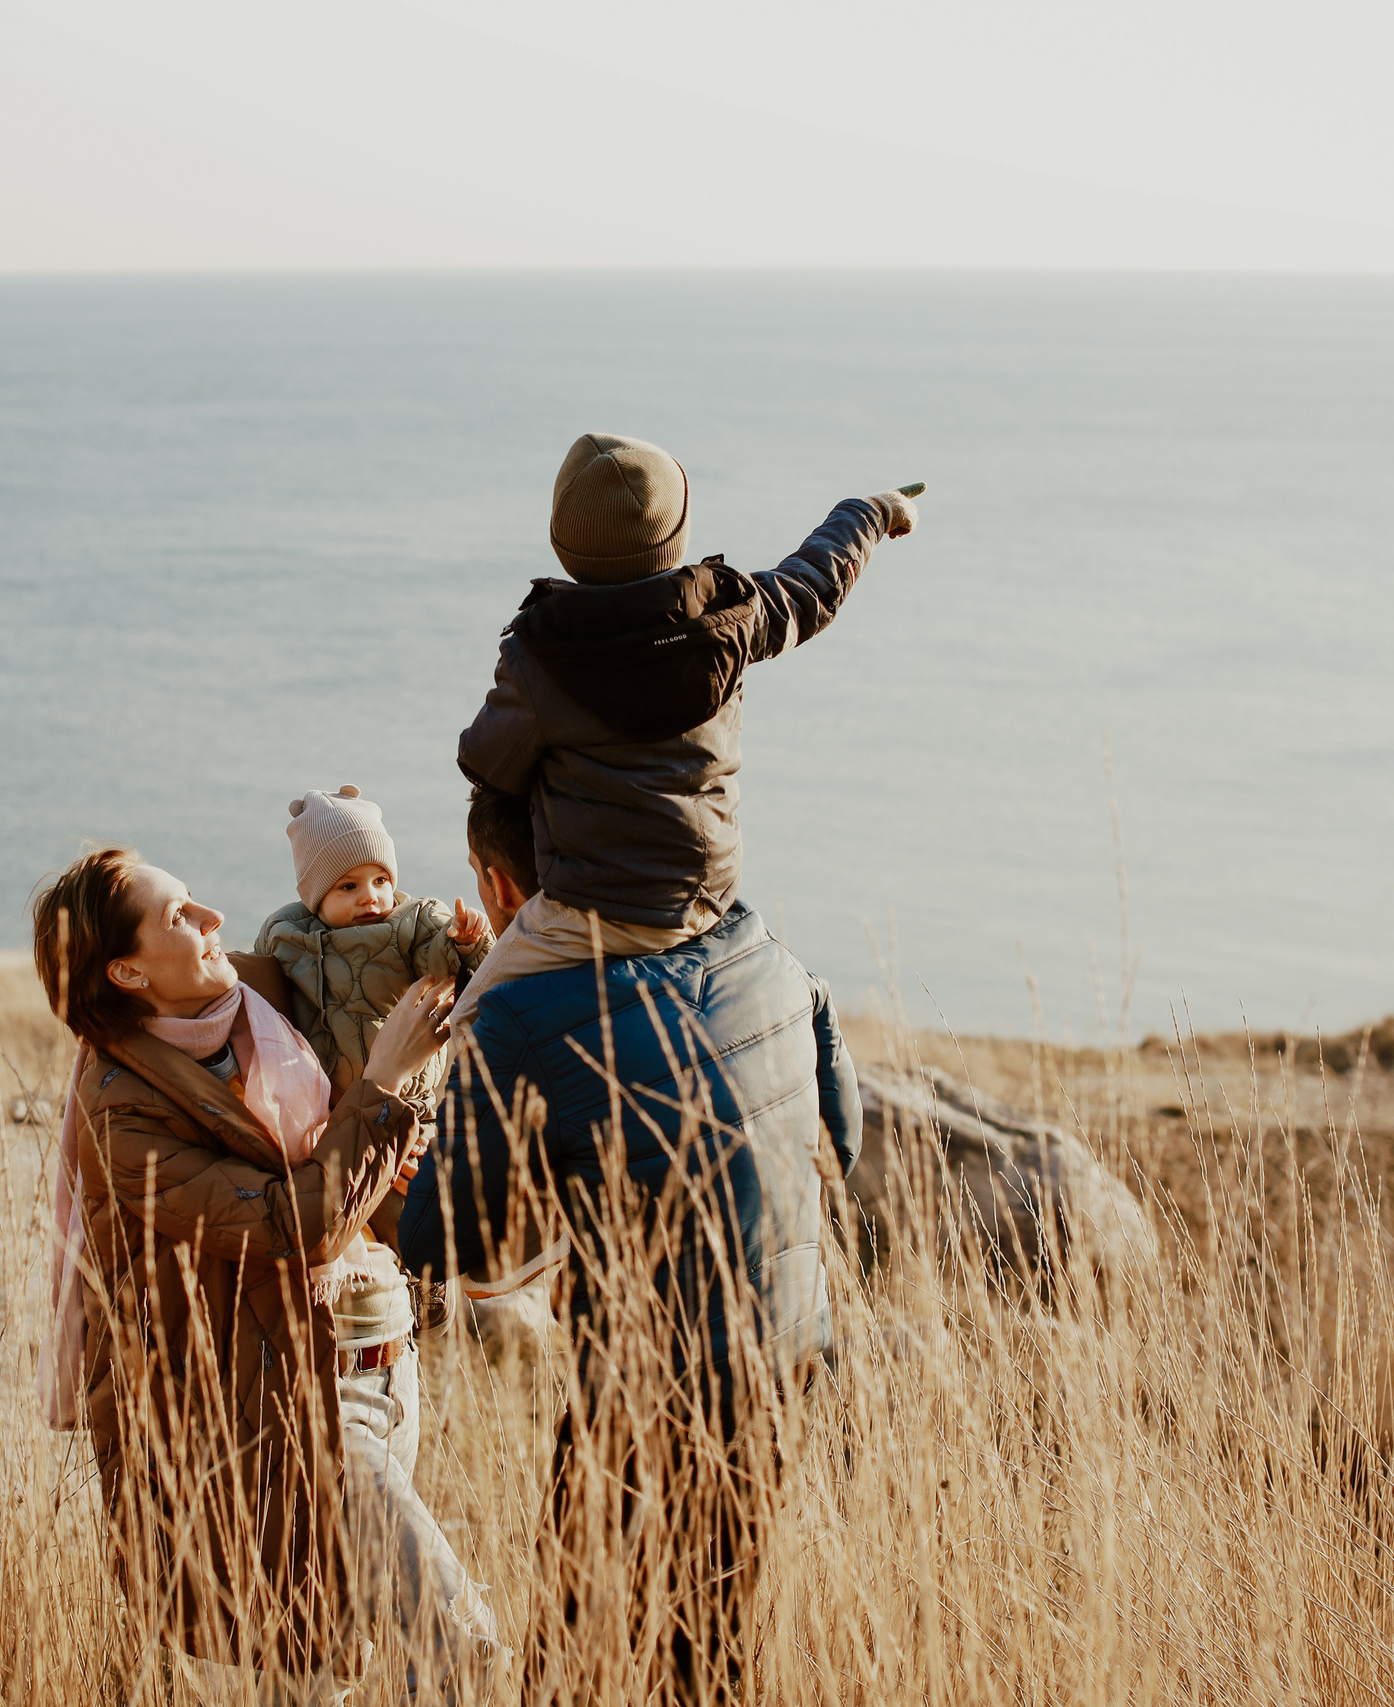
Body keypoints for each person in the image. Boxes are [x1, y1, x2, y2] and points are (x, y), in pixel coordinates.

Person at [397, 788, 862, 1703]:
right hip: (794, 1355)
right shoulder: (764, 943)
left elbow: (435, 1237)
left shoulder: (523, 1013)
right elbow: (836, 1143)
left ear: (498, 885)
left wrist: (409, 1083)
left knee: (573, 1666)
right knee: (718, 1646)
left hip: (652, 1388)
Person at [32, 845, 501, 1703]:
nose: (211, 918)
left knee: (350, 1665)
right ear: (127, 969)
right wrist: (391, 1087)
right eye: (178, 915)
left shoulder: (266, 995)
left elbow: (382, 948)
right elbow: (293, 1228)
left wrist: (460, 942)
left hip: (386, 1362)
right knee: (452, 1644)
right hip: (284, 1409)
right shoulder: (123, 1111)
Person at [449, 430, 916, 1024]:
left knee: (471, 1023)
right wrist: (868, 513)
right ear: (676, 534)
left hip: (592, 916)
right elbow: (811, 585)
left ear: (563, 542)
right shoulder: (731, 618)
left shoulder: (538, 657)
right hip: (709, 896)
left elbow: (485, 762)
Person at [254, 785, 493, 1105]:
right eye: (349, 886)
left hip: (406, 1097)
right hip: (321, 1105)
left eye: (380, 881)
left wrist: (464, 941)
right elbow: (254, 985)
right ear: (315, 897)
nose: (370, 896)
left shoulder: (411, 924)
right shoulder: (285, 934)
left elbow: (439, 962)